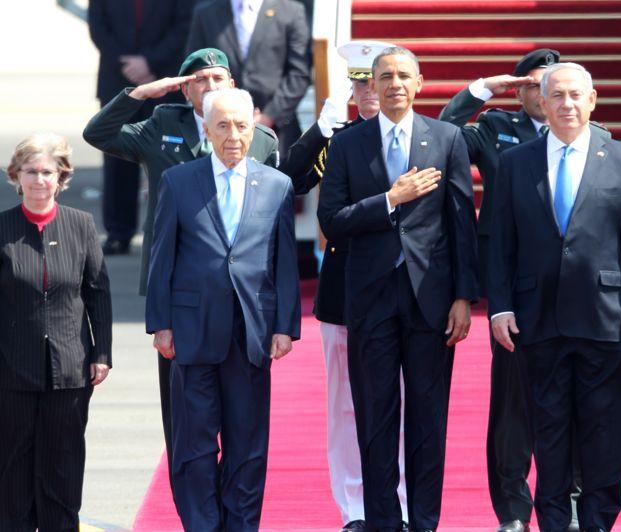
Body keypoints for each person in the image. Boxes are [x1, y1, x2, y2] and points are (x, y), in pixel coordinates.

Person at [84, 47, 279, 487]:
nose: (211, 87)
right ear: (185, 88)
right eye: (200, 80)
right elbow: (99, 133)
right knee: (185, 416)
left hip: (237, 296)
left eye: (219, 79)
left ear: (233, 86)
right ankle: (194, 501)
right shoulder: (162, 125)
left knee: (241, 413)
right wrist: (142, 93)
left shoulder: (260, 139)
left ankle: (234, 502)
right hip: (177, 291)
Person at [440, 48, 610, 532]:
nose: (545, 95)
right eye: (534, 85)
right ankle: (513, 510)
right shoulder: (496, 129)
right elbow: (442, 137)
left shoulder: (597, 138)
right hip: (514, 283)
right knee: (513, 407)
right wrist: (480, 90)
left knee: (574, 403)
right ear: (521, 90)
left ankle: (571, 505)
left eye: (553, 85)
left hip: (575, 287)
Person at [488, 62, 621, 531]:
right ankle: (555, 522)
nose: (566, 104)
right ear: (541, 102)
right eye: (557, 95)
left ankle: (599, 520)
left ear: (592, 99)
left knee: (605, 433)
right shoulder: (515, 162)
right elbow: (500, 243)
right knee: (549, 433)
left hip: (605, 319)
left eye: (575, 95)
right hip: (536, 320)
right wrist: (499, 306)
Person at [318, 46, 479, 532]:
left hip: (430, 301)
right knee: (375, 419)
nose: (394, 85)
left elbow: (460, 225)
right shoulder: (348, 144)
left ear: (420, 82)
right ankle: (384, 521)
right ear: (373, 84)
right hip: (369, 302)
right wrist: (390, 198)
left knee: (429, 420)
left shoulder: (447, 138)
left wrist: (463, 297)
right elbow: (332, 221)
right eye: (384, 76)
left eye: (403, 76)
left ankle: (424, 521)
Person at [145, 87, 300, 531]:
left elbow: (283, 262)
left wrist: (285, 326)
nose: (233, 135)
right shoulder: (179, 180)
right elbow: (163, 258)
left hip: (251, 332)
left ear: (255, 127)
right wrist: (162, 324)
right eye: (223, 126)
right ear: (208, 130)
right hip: (192, 332)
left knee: (247, 444)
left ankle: (240, 524)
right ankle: (202, 524)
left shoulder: (277, 185)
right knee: (193, 443)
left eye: (242, 125)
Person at [281, 40, 410, 532]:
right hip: (346, 290)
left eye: (374, 80)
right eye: (359, 82)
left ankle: (397, 499)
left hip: (403, 287)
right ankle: (355, 506)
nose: (369, 91)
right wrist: (319, 129)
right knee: (346, 403)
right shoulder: (340, 139)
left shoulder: (420, 135)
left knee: (402, 398)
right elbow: (291, 182)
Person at [0, 133, 112, 531]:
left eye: (47, 172)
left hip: (69, 367)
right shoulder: (3, 228)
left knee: (62, 461)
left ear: (61, 177)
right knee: (12, 463)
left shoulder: (81, 225)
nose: (39, 179)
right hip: (12, 368)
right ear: (16, 176)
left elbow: (97, 292)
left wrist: (101, 354)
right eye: (30, 171)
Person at [88, 0, 195, 255]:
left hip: (166, 82)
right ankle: (118, 232)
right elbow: (98, 27)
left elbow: (184, 26)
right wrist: (129, 64)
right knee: (117, 160)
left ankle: (174, 229)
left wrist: (150, 62)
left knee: (170, 158)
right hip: (117, 78)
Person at [187, 0, 312, 158]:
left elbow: (299, 74)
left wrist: (268, 117)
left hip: (278, 132)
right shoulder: (206, 12)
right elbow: (195, 70)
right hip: (220, 133)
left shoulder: (291, 12)